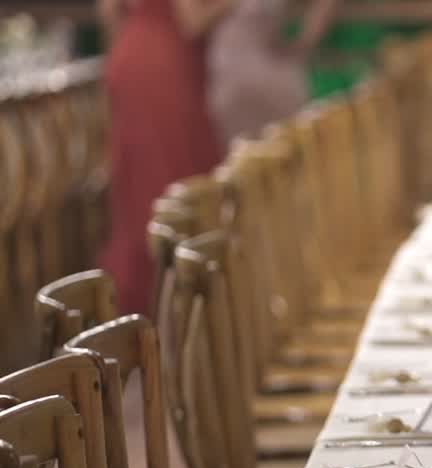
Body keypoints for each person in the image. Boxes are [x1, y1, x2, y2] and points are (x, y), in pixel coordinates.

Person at [98, 0, 233, 314]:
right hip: (165, 66)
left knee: (137, 193)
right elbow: (191, 20)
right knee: (174, 183)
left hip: (130, 55)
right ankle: (176, 307)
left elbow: (108, 11)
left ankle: (133, 317)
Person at [207, 0, 340, 145]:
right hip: (231, 69)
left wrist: (305, 42)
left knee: (295, 139)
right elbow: (193, 21)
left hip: (273, 67)